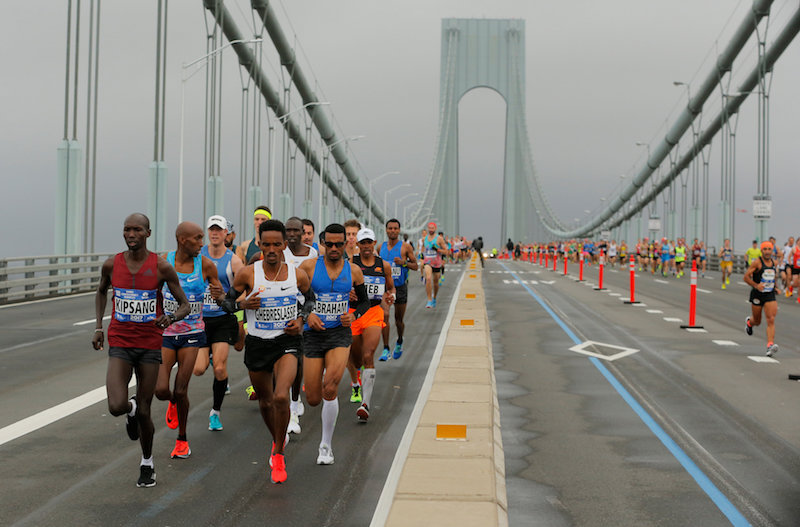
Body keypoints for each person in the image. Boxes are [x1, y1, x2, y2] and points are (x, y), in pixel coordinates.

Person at [92, 213, 190, 488]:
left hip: (149, 345)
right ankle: (130, 408)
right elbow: (101, 291)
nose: (131, 234)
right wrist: (99, 326)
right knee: (116, 406)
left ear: (148, 233)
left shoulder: (160, 267)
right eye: (127, 230)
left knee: (146, 412)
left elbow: (185, 305)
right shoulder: (112, 264)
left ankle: (147, 462)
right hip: (121, 343)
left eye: (137, 230)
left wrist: (170, 318)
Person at [219, 219, 316, 483]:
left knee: (281, 397)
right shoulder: (248, 274)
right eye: (266, 244)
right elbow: (226, 303)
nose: (272, 249)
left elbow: (310, 300)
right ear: (259, 244)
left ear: (285, 245)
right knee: (265, 401)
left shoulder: (297, 274)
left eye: (277, 244)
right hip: (258, 344)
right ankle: (276, 436)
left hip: (286, 342)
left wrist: (301, 319)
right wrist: (243, 303)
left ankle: (279, 452)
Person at [298, 223, 370, 465]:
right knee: (314, 398)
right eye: (330, 244)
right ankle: (308, 394)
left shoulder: (354, 271)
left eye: (340, 244)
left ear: (346, 244)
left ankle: (325, 445)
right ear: (323, 244)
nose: (335, 248)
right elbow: (293, 296)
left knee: (331, 387)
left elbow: (364, 303)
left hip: (340, 334)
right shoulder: (308, 267)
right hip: (313, 334)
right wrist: (308, 315)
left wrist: (355, 315)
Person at [156, 222, 224, 459]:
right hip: (166, 333)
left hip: (192, 334)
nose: (202, 243)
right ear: (183, 240)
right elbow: (154, 291)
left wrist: (220, 295)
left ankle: (182, 439)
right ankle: (172, 402)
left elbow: (221, 294)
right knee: (161, 389)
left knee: (181, 388)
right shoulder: (164, 261)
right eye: (197, 238)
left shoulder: (204, 264)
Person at [192, 215, 244, 431]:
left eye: (218, 230)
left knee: (220, 370)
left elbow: (243, 293)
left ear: (226, 234)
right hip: (201, 320)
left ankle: (215, 412)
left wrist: (225, 297)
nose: (214, 233)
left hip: (222, 319)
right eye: (211, 229)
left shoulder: (234, 261)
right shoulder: (197, 256)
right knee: (198, 369)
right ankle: (211, 356)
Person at [349, 228, 395, 422]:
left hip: (373, 312)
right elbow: (339, 286)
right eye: (363, 243)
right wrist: (347, 293)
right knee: (356, 359)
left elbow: (390, 286)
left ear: (375, 243)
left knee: (368, 355)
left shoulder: (383, 265)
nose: (366, 246)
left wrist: (390, 295)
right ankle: (357, 379)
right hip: (353, 313)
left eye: (369, 242)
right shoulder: (350, 264)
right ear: (357, 245)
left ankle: (365, 404)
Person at [283, 217, 318, 434]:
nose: (293, 234)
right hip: (283, 311)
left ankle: (293, 406)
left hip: (305, 312)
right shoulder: (280, 252)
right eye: (289, 230)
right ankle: (288, 405)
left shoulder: (313, 254)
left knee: (298, 361)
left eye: (297, 230)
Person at [379, 219, 419, 361]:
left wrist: (404, 263)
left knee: (398, 320)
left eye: (395, 228)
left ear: (399, 230)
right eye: (390, 228)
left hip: (400, 287)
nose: (393, 231)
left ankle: (400, 340)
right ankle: (385, 349)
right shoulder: (380, 247)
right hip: (386, 288)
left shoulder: (406, 248)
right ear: (386, 230)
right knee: (384, 316)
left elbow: (416, 266)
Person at [743, 241, 781, 357]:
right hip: (757, 294)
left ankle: (770, 346)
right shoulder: (757, 263)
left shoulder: (774, 263)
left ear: (772, 251)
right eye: (765, 249)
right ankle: (750, 323)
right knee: (757, 321)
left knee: (771, 319)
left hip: (769, 294)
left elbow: (773, 277)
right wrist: (756, 285)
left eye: (769, 249)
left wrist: (775, 287)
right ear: (761, 250)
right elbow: (745, 277)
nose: (767, 252)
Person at [343, 219, 363, 402]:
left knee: (361, 353)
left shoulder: (365, 254)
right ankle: (355, 385)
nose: (351, 237)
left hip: (364, 308)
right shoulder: (338, 254)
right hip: (344, 307)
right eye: (348, 234)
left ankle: (360, 367)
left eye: (354, 234)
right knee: (347, 348)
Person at [421, 222, 447, 308]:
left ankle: (434, 297)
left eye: (432, 228)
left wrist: (438, 249)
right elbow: (423, 249)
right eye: (429, 228)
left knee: (435, 282)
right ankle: (429, 300)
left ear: (435, 229)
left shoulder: (439, 239)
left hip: (437, 263)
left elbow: (446, 251)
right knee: (428, 278)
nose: (431, 229)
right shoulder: (424, 239)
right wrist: (421, 256)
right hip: (427, 262)